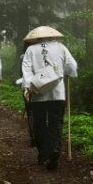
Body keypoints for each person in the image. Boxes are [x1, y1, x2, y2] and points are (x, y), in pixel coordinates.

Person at [21, 26, 78, 170]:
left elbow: (26, 71)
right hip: (57, 93)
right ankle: (55, 151)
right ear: (52, 36)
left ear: (37, 38)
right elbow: (71, 65)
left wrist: (26, 88)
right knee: (56, 123)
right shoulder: (60, 47)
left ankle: (43, 156)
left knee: (39, 124)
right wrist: (69, 73)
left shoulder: (31, 50)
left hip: (38, 92)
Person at [19, 41, 36, 147]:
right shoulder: (40, 54)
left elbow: (21, 73)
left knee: (31, 112)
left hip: (28, 87)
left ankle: (33, 137)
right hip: (42, 87)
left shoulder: (22, 57)